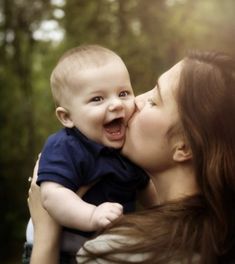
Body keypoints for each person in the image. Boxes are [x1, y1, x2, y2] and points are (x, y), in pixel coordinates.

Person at [28, 50, 235, 264]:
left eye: (154, 101)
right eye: (97, 98)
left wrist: (46, 232)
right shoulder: (218, 232)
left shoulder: (114, 253)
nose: (135, 102)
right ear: (65, 116)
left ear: (183, 146)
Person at [24, 44, 157, 263]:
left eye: (123, 93)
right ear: (67, 117)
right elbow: (51, 195)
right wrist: (91, 215)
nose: (116, 104)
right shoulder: (67, 146)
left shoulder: (128, 144)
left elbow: (147, 191)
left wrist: (166, 212)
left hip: (105, 247)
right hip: (63, 248)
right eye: (97, 99)